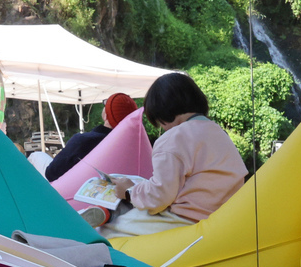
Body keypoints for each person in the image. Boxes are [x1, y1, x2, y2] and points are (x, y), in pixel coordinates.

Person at [101, 73, 247, 238]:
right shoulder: (219, 133)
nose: (162, 128)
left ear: (162, 113)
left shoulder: (173, 138)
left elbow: (159, 196)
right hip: (224, 217)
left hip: (186, 218)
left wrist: (128, 190)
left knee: (108, 231)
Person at [45, 92, 139, 182]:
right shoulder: (137, 148)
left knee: (35, 156)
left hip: (75, 191)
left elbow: (51, 173)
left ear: (106, 115)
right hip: (117, 192)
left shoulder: (83, 141)